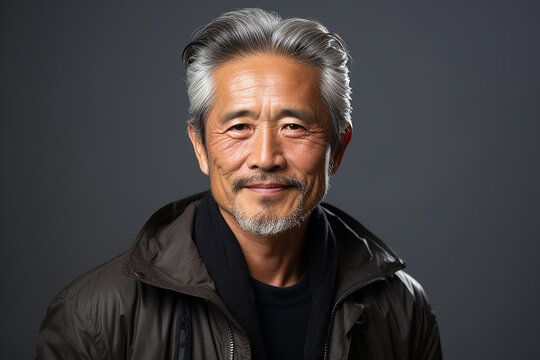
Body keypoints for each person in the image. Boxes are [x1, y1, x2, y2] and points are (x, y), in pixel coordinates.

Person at [36, 8, 442, 360]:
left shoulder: (403, 307)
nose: (265, 157)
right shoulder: (95, 316)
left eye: (293, 126)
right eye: (239, 127)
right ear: (200, 146)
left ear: (337, 147)